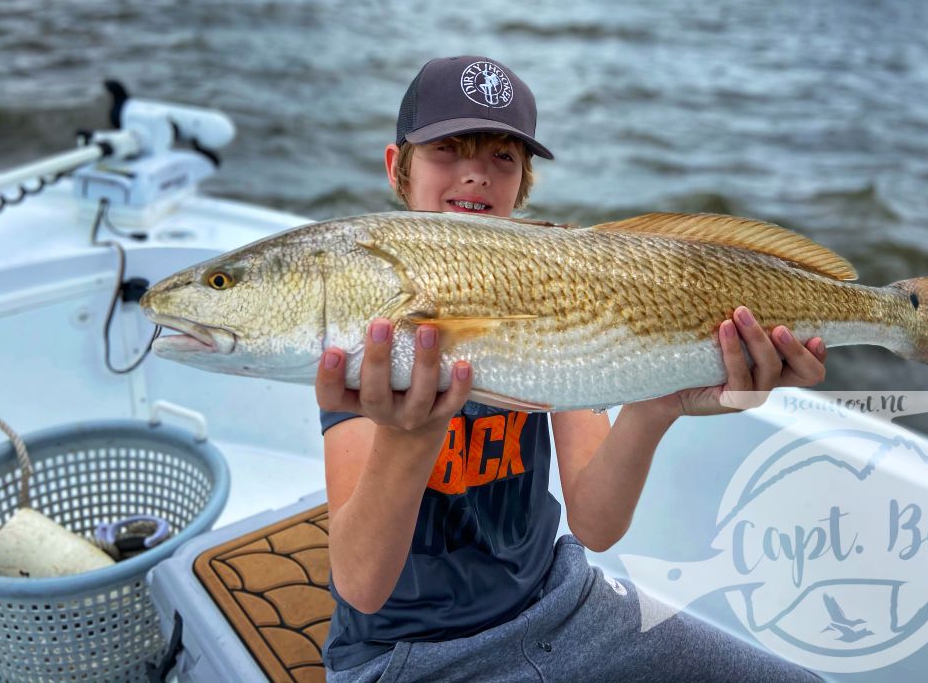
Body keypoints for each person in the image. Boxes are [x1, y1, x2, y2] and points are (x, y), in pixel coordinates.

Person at [316, 55, 826, 682]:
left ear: (524, 183)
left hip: (560, 604)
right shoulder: (367, 323)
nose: (475, 174)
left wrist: (655, 402)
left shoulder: (552, 284)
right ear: (398, 167)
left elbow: (596, 523)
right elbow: (361, 587)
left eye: (503, 157)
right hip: (407, 656)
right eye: (449, 148)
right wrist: (411, 433)